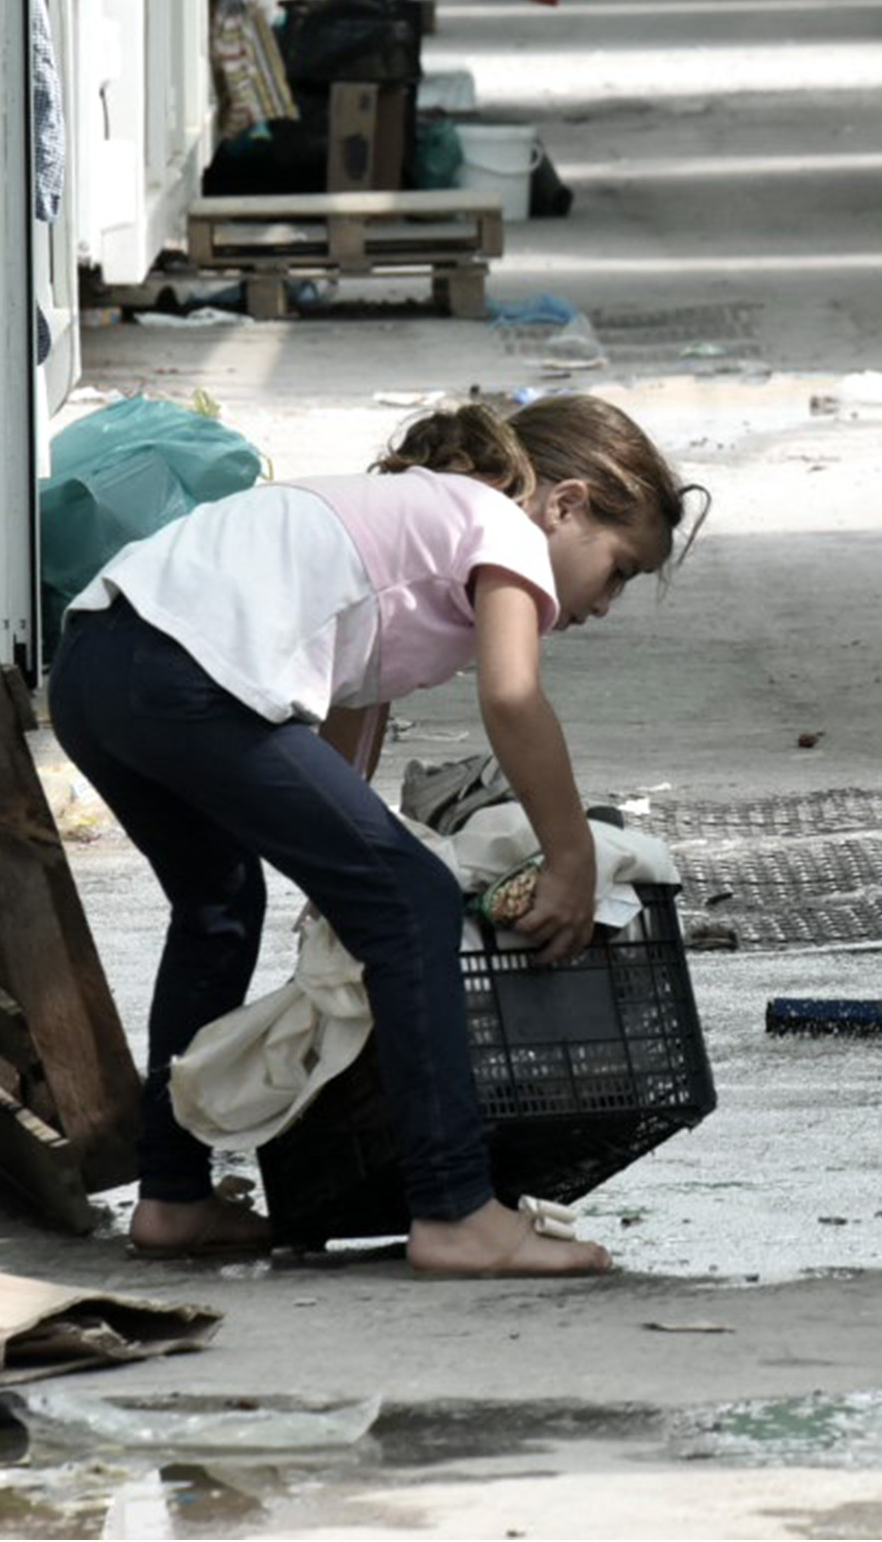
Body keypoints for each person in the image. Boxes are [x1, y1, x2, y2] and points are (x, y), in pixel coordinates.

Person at [47, 395, 701, 1276]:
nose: (608, 603)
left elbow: (349, 702)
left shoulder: (409, 521)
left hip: (97, 663)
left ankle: (172, 1197)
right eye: (619, 568)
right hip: (183, 671)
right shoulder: (496, 526)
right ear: (566, 503)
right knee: (416, 901)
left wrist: (336, 867)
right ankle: (454, 1208)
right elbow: (512, 698)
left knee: (219, 905)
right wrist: (571, 854)